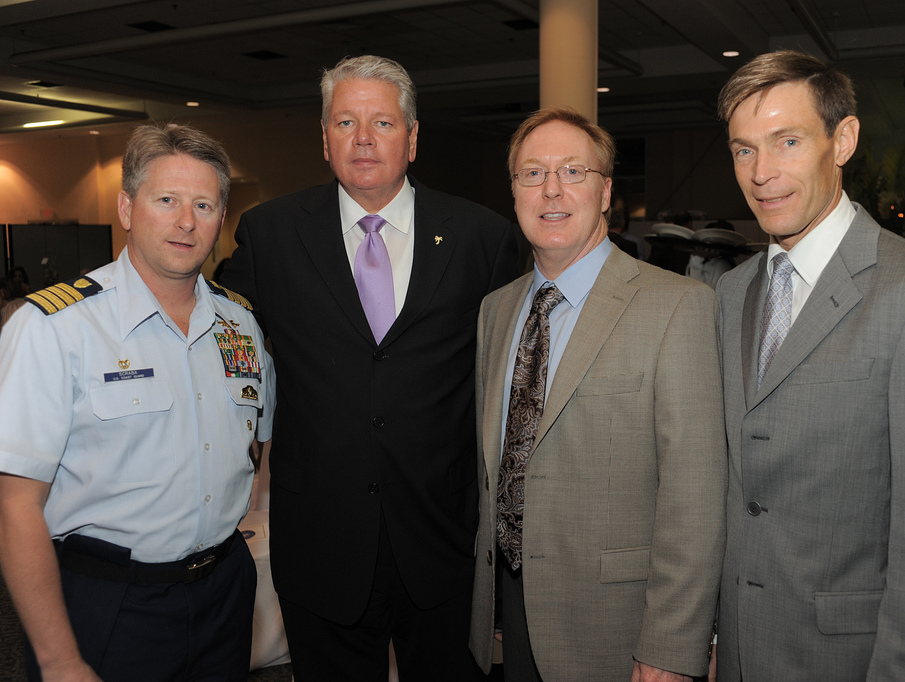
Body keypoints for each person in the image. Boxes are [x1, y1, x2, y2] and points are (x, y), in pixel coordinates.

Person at [220, 54, 518, 680]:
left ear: (412, 138)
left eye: (381, 123)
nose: (362, 139)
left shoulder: (481, 237)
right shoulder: (270, 234)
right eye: (345, 121)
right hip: (321, 540)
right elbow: (217, 348)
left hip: (444, 541)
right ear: (323, 138)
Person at [714, 50, 905, 681]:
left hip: (848, 660)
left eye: (787, 141)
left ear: (843, 139)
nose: (761, 173)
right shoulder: (733, 294)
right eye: (743, 150)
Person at [0, 122, 275, 682]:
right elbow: (14, 506)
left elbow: (262, 439)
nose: (185, 220)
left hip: (224, 592)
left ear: (221, 218)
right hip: (107, 604)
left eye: (204, 203)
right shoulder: (53, 328)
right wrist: (59, 661)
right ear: (127, 208)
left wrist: (247, 524)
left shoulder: (240, 323)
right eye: (166, 199)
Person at [469, 107, 726, 682]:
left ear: (606, 191)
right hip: (510, 614)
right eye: (532, 174)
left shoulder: (678, 307)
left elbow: (697, 497)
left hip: (620, 627)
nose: (551, 189)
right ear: (513, 192)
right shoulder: (497, 310)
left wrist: (670, 646)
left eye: (573, 172)